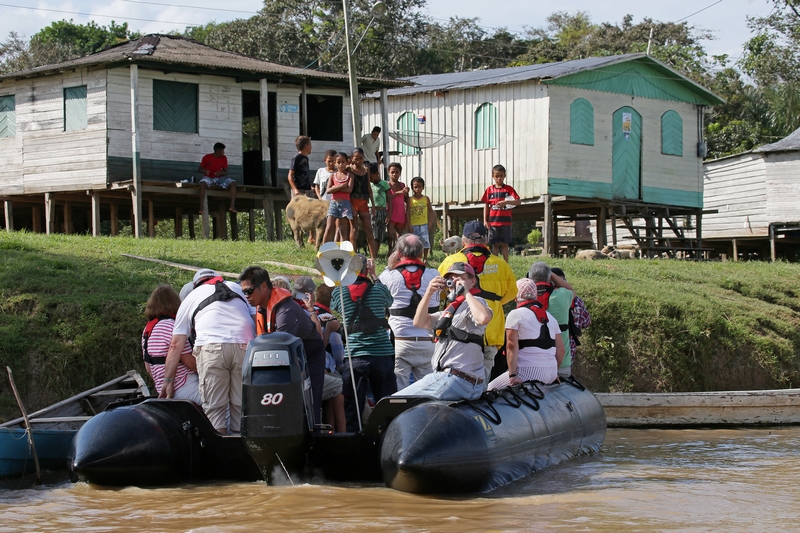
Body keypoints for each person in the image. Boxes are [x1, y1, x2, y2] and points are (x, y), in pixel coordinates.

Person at [160, 269, 256, 435]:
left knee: (215, 411)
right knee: (241, 407)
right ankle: (240, 447)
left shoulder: (191, 297)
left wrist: (168, 380)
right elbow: (256, 319)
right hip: (244, 346)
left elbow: (175, 345)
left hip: (212, 349)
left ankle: (220, 449)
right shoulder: (237, 288)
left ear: (195, 284)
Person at [238, 266, 327, 426]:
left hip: (309, 355)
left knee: (308, 403)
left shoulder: (286, 310)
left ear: (263, 286)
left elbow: (279, 347)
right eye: (243, 291)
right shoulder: (262, 307)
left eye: (249, 291)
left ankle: (312, 434)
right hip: (289, 357)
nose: (246, 296)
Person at [394, 262, 492, 401]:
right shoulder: (449, 312)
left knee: (395, 401)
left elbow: (483, 318)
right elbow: (419, 322)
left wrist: (466, 292)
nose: (454, 281)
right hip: (450, 379)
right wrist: (429, 292)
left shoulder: (476, 302)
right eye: (450, 278)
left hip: (458, 379)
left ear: (472, 281)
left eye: (459, 277)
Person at [438, 221, 517, 382]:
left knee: (455, 375)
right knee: (484, 377)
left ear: (463, 241)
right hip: (490, 330)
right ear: (486, 239)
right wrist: (491, 304)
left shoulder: (450, 262)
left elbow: (440, 293)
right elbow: (511, 293)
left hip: (459, 331)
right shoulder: (501, 264)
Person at [332, 255, 395, 431]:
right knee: (385, 403)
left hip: (355, 355)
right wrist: (375, 276)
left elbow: (334, 306)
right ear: (367, 269)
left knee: (352, 407)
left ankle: (354, 439)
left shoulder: (339, 292)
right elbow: (390, 301)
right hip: (381, 354)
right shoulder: (380, 290)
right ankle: (387, 437)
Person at [379, 234, 440, 389]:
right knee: (426, 391)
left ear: (399, 254)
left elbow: (376, 292)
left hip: (400, 341)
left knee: (399, 392)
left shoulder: (388, 276)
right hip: (428, 342)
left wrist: (389, 267)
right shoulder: (434, 274)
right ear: (421, 253)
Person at [488, 278, 564, 390]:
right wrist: (552, 371)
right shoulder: (551, 318)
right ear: (535, 295)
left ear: (516, 297)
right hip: (552, 372)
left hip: (528, 372)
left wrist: (512, 375)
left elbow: (511, 346)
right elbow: (561, 350)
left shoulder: (515, 314)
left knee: (489, 389)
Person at [141, 284, 201, 404]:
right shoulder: (173, 327)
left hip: (163, 391)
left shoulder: (147, 330)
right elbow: (190, 363)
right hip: (185, 385)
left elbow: (148, 368)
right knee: (224, 404)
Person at [526, 261, 577, 379]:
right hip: (561, 364)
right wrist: (551, 274)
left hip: (533, 366)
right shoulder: (563, 295)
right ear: (550, 278)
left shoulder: (524, 298)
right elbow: (571, 290)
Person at [551, 267, 591, 379]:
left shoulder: (549, 299)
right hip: (570, 352)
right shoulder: (576, 301)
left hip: (551, 354)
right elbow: (587, 322)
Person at [481, 164, 520, 262]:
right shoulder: (489, 190)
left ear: (504, 176)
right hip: (493, 222)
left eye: (501, 176)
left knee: (505, 244)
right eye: (497, 176)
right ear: (493, 176)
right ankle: (496, 264)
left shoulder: (509, 189)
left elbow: (518, 202)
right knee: (495, 244)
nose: (499, 178)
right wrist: (485, 220)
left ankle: (506, 264)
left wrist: (506, 202)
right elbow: (486, 205)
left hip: (506, 222)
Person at [348, 148, 379, 259]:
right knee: (354, 229)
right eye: (356, 158)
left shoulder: (366, 170)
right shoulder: (349, 170)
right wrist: (350, 205)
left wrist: (373, 206)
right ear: (352, 158)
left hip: (364, 202)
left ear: (364, 158)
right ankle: (353, 255)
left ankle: (373, 256)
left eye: (361, 158)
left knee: (369, 229)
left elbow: (369, 188)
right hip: (353, 201)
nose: (358, 161)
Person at [323, 152, 354, 243]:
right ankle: (322, 248)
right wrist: (342, 186)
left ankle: (342, 249)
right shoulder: (333, 175)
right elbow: (328, 190)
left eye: (343, 162)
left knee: (343, 229)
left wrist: (335, 188)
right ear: (335, 163)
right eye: (338, 162)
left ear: (347, 162)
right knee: (329, 227)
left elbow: (349, 190)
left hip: (345, 204)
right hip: (334, 203)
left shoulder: (350, 175)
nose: (341, 164)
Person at [198, 142, 236, 214]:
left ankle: (232, 206)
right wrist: (205, 171)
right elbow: (199, 169)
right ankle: (201, 206)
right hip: (209, 177)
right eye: (222, 151)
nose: (223, 152)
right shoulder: (207, 157)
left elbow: (226, 172)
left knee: (233, 183)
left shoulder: (224, 158)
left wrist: (220, 173)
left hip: (220, 178)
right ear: (217, 151)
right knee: (202, 183)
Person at [407, 177, 437, 263]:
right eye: (415, 187)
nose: (417, 189)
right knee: (414, 243)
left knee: (425, 242)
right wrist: (409, 225)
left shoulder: (426, 199)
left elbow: (430, 211)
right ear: (412, 188)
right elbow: (407, 213)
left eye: (419, 186)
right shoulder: (410, 199)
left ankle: (425, 259)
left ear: (423, 187)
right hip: (413, 225)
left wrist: (430, 222)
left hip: (424, 225)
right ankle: (416, 258)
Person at [386, 162, 408, 252]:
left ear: (400, 173)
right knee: (390, 234)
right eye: (392, 172)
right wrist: (399, 192)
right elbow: (388, 198)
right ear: (388, 173)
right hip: (391, 213)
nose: (395, 174)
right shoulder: (386, 185)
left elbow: (406, 199)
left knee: (400, 235)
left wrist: (406, 192)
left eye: (397, 172)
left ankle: (398, 251)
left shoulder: (402, 185)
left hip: (400, 213)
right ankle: (390, 249)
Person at [369, 163, 391, 252]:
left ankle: (375, 253)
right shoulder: (369, 184)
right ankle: (373, 254)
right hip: (371, 211)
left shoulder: (384, 184)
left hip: (382, 211)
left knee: (380, 234)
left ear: (376, 174)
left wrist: (389, 214)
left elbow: (389, 199)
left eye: (370, 176)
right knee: (372, 233)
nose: (369, 179)